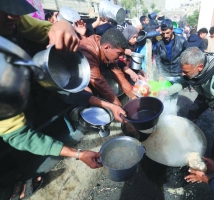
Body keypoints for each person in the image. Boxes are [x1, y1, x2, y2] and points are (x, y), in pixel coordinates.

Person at [0, 1, 102, 199]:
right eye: (5, 12)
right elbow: (19, 135)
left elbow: (50, 29)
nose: (15, 17)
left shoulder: (14, 22)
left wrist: (62, 26)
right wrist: (78, 153)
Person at [159, 47, 214, 159]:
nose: (182, 74)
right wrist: (166, 92)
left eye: (186, 72)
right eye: (182, 70)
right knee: (191, 115)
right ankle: (185, 141)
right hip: (204, 94)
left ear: (200, 67)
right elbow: (183, 81)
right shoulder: (192, 69)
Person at [79, 28, 136, 101]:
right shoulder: (89, 51)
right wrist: (117, 105)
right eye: (119, 53)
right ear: (107, 47)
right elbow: (99, 82)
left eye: (123, 53)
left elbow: (119, 75)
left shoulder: (106, 45)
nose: (121, 57)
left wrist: (133, 97)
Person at [155, 19, 188, 83]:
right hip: (165, 75)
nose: (165, 36)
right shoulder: (159, 44)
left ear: (172, 29)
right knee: (164, 93)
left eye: (168, 33)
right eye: (163, 33)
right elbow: (158, 60)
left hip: (178, 75)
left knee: (175, 92)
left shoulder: (182, 41)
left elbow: (187, 58)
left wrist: (185, 71)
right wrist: (160, 74)